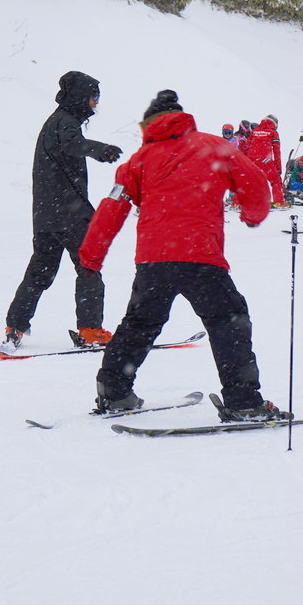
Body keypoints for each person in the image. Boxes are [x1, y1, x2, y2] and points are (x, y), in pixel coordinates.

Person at [80, 90, 291, 420]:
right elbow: (254, 182)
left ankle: (114, 391)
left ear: (149, 124)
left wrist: (91, 257)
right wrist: (252, 215)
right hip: (199, 255)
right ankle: (243, 401)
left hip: (153, 261)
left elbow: (112, 208)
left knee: (140, 323)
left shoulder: (137, 161)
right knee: (227, 320)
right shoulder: (213, 146)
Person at [0, 71, 123, 355]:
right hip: (69, 213)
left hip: (46, 216)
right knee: (89, 268)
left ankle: (15, 326)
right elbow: (73, 144)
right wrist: (100, 150)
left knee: (39, 273)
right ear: (80, 97)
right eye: (94, 97)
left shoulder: (54, 122)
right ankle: (91, 330)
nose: (96, 104)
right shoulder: (65, 124)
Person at [243, 113, 288, 207]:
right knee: (275, 181)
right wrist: (278, 169)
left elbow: (246, 147)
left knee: (248, 180)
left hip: (251, 160)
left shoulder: (254, 131)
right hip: (265, 160)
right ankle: (278, 202)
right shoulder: (273, 133)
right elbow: (277, 152)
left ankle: (239, 202)